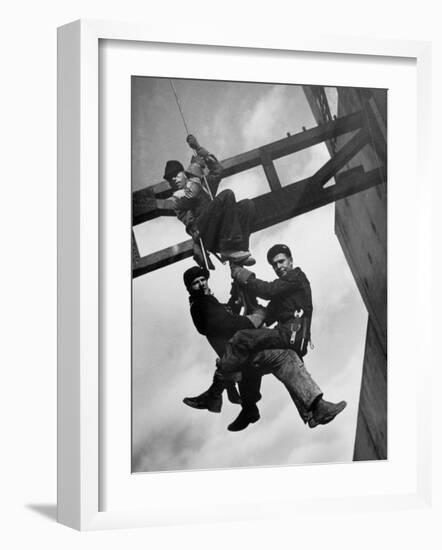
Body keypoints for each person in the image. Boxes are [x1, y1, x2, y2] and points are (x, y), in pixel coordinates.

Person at [183, 265, 345, 431]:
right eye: (196, 282)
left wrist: (236, 296)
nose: (202, 284)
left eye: (203, 280)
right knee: (285, 357)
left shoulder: (208, 302)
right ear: (189, 288)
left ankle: (247, 408)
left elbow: (227, 315)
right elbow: (228, 323)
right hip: (239, 354)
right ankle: (315, 409)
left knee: (271, 361)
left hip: (241, 356)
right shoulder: (201, 304)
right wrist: (255, 317)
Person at [214, 243, 347, 427]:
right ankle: (314, 412)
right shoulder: (283, 292)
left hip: (290, 334)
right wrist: (242, 294)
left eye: (281, 261)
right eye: (275, 265)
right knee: (272, 361)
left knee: (242, 338)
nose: (279, 267)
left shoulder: (296, 277)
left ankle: (221, 380)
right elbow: (266, 317)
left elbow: (267, 291)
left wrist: (241, 274)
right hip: (288, 338)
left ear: (291, 261)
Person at [163, 135, 255, 265]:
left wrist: (199, 149)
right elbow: (191, 195)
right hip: (203, 232)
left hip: (219, 230)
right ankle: (230, 248)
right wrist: (194, 167)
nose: (174, 180)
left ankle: (240, 251)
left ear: (183, 173)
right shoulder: (176, 198)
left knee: (247, 205)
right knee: (227, 194)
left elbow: (217, 171)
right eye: (170, 179)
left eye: (176, 175)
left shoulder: (202, 185)